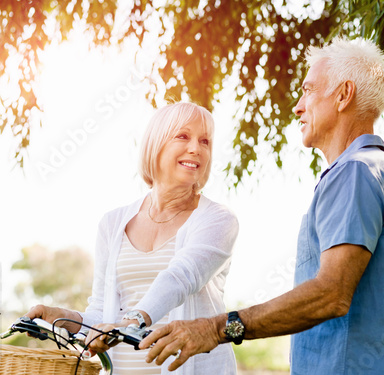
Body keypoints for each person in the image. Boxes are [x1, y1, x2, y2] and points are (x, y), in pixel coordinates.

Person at [139, 37, 384, 375]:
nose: (298, 106)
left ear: (343, 95)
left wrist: (216, 329)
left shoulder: (354, 173)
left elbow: (331, 294)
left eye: (308, 91)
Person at [26, 102, 239, 375]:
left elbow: (181, 276)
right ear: (156, 144)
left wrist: (131, 321)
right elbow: (103, 314)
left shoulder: (218, 219)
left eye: (205, 141)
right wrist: (64, 318)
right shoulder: (113, 224)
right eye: (183, 136)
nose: (196, 148)